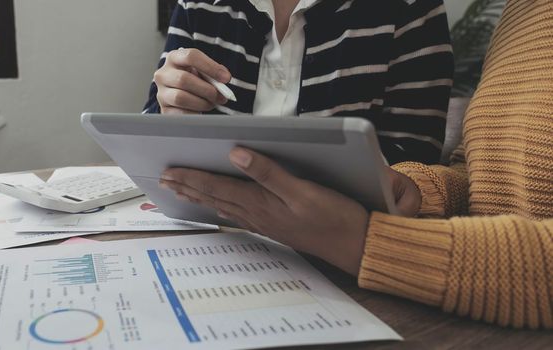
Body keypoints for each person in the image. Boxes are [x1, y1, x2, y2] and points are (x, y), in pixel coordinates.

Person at [158, 0, 552, 329]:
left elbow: (417, 150)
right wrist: (421, 188)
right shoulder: (524, 12)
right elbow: (487, 176)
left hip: (368, 276)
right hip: (226, 251)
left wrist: (364, 240)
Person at [144, 0, 454, 165]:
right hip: (210, 236)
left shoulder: (409, 6)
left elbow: (417, 169)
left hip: (336, 252)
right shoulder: (198, 6)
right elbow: (149, 135)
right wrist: (168, 113)